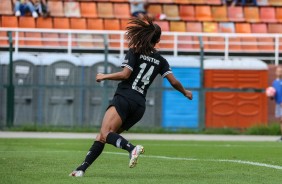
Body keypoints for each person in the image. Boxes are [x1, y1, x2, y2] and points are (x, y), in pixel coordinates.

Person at [69, 15, 193, 177]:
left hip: (125, 98)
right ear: (158, 40)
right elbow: (174, 81)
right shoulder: (161, 61)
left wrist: (104, 76)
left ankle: (131, 148)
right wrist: (185, 92)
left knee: (105, 133)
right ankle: (81, 169)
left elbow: (125, 74)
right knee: (104, 136)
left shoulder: (135, 51)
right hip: (139, 106)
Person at [271, 66, 282, 142]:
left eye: (280, 71)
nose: (279, 72)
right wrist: (271, 96)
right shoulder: (274, 82)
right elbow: (274, 94)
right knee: (280, 121)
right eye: (278, 71)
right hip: (278, 104)